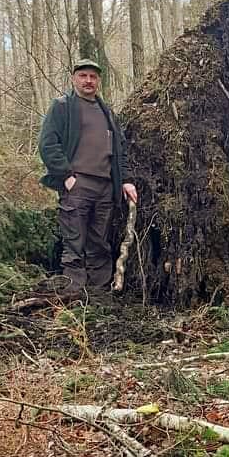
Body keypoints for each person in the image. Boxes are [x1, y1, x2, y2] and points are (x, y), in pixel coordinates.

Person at [38, 59, 137, 299]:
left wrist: (124, 180)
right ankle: (73, 293)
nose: (88, 81)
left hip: (105, 187)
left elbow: (119, 150)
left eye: (93, 77)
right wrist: (66, 175)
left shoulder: (107, 113)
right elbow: (48, 144)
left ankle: (99, 294)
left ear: (98, 81)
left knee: (99, 242)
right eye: (83, 76)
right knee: (74, 241)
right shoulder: (62, 107)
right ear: (74, 79)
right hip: (77, 185)